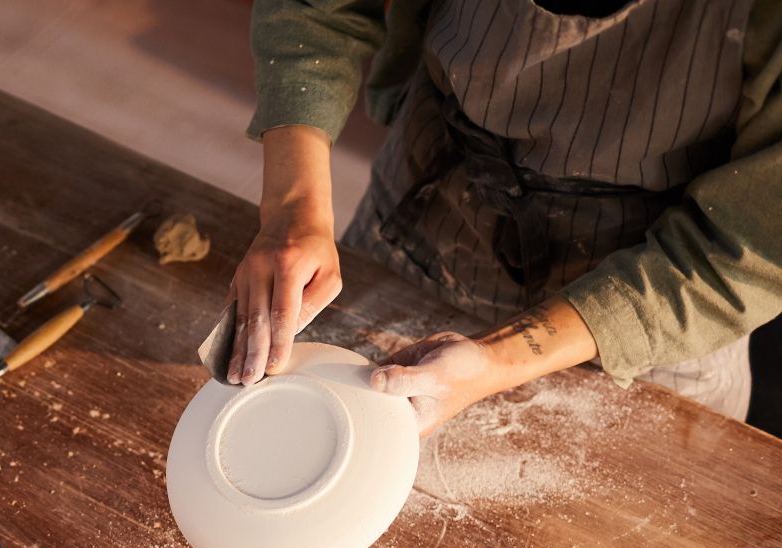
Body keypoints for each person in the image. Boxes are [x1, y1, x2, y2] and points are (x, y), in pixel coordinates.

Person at [230, 0, 782, 429]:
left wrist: (498, 359)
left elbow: (744, 252)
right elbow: (318, 9)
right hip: (425, 207)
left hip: (660, 310)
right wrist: (293, 207)